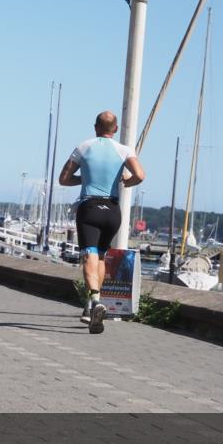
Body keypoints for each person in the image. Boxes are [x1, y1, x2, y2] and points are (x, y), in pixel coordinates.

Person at [58, 110, 145, 333]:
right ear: (115, 129)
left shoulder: (84, 147)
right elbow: (140, 175)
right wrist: (126, 181)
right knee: (102, 256)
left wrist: (84, 178)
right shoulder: (124, 150)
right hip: (113, 211)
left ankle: (95, 300)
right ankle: (90, 307)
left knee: (89, 253)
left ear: (95, 127)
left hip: (90, 208)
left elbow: (64, 179)